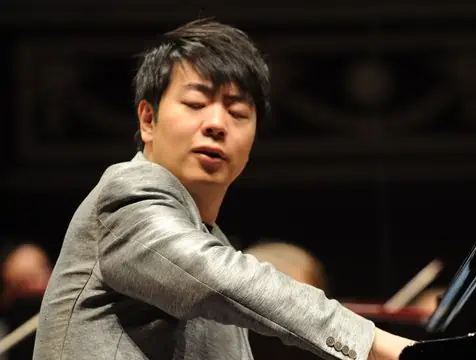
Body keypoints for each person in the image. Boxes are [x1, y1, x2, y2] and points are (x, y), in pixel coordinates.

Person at [33, 18, 416, 360]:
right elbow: (216, 277)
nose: (217, 123)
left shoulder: (207, 236)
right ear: (148, 120)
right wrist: (376, 343)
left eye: (237, 112)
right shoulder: (128, 195)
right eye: (196, 103)